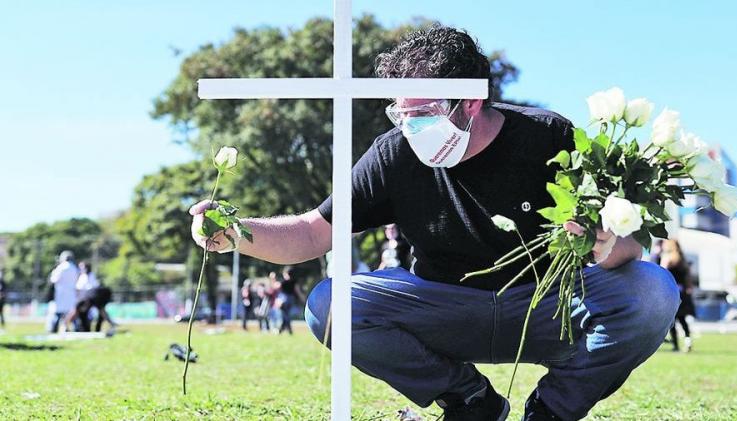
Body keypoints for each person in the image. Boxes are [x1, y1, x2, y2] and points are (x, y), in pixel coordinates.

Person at [189, 26, 679, 421]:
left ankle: (552, 409)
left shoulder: (547, 136)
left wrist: (603, 244)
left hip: (543, 305)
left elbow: (627, 247)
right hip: (442, 307)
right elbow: (315, 231)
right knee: (328, 303)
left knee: (653, 290)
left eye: (422, 112)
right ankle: (470, 401)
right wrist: (238, 232)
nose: (409, 125)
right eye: (400, 112)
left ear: (470, 102)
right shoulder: (394, 152)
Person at [660, 239, 695, 352]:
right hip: (683, 293)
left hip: (672, 292)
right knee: (683, 319)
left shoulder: (668, 259)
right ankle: (688, 341)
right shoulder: (682, 259)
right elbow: (688, 278)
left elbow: (662, 272)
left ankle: (676, 345)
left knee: (672, 320)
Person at [48, 250, 79, 333]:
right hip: (71, 294)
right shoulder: (74, 268)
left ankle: (53, 329)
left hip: (61, 294)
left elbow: (54, 279)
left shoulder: (61, 267)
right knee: (71, 312)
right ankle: (76, 328)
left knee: (58, 312)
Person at [277, 266, 306, 335]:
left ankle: (287, 330)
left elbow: (278, 289)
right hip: (291, 299)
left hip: (284, 300)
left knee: (285, 315)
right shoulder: (294, 281)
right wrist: (302, 298)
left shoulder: (283, 281)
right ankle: (282, 330)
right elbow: (297, 291)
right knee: (286, 315)